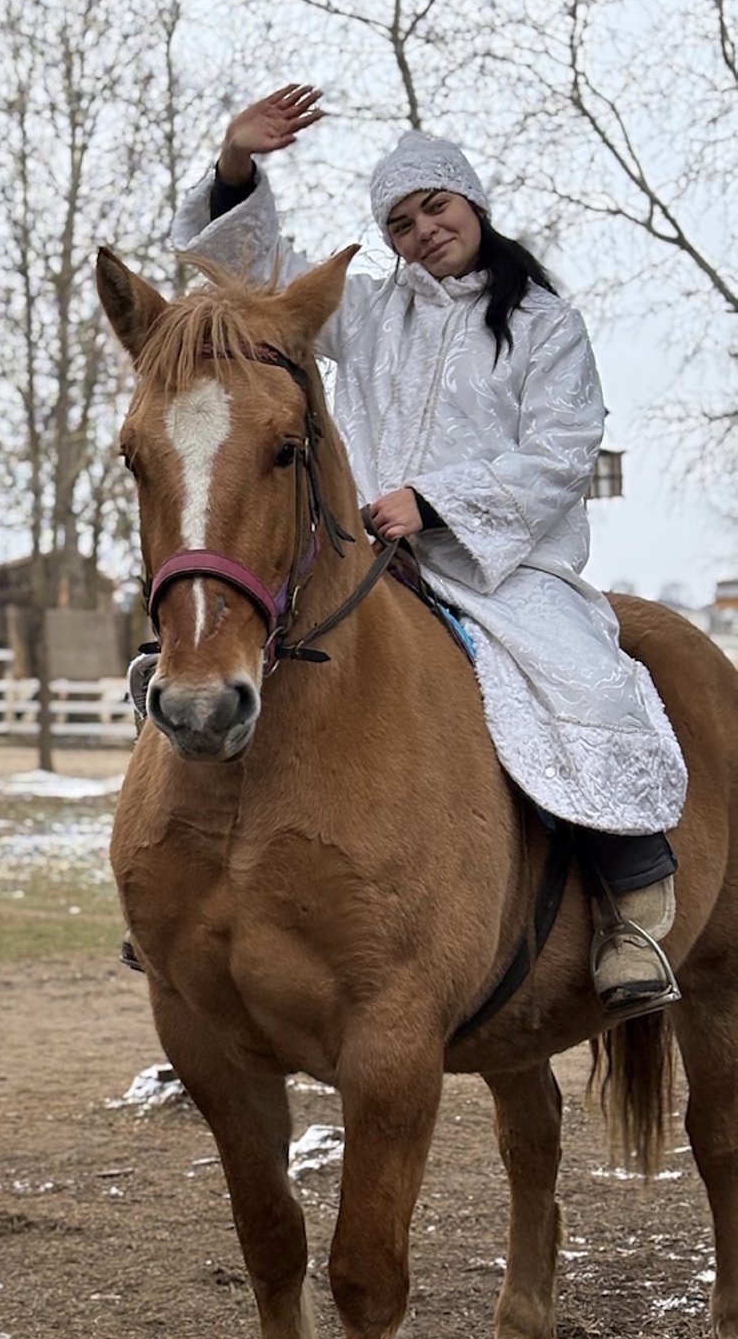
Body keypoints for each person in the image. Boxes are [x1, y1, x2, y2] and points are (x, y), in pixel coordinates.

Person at [170, 84, 687, 1023]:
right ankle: (180, 895)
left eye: (434, 208)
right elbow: (251, 277)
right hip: (366, 559)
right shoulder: (367, 312)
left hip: (505, 565)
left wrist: (438, 503)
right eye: (401, 223)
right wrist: (237, 164)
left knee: (587, 679)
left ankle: (632, 907)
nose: (421, 232)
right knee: (218, 649)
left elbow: (562, 451)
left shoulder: (544, 325)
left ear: (472, 202)